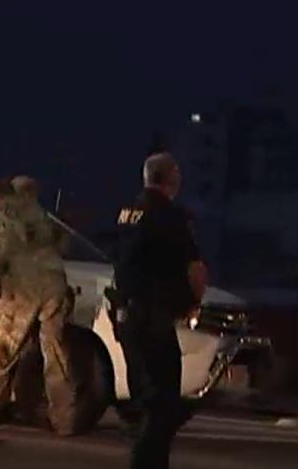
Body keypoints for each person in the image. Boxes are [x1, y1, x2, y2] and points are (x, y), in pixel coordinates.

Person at [0, 178, 76, 435]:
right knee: (56, 356)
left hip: (21, 293)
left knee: (1, 351)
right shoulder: (40, 215)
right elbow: (64, 243)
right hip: (55, 288)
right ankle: (65, 419)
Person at [113, 152, 207, 468]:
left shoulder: (127, 212)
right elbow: (195, 268)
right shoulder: (171, 216)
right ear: (172, 177)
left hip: (125, 316)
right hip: (154, 317)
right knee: (163, 402)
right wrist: (194, 301)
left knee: (143, 398)